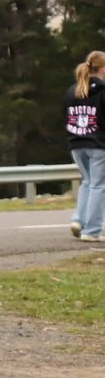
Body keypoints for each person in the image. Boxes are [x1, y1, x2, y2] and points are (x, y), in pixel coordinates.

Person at [71, 49, 105, 241]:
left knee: (88, 182)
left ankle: (79, 220)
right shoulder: (102, 91)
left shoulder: (73, 91)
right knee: (99, 186)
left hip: (77, 142)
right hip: (98, 144)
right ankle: (91, 231)